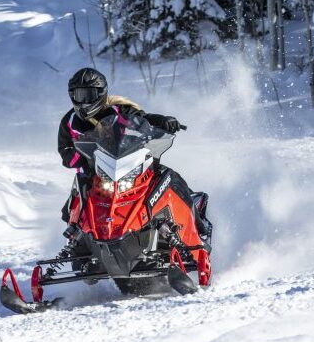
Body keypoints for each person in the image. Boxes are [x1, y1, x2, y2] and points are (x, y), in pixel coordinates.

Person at [58, 67, 209, 239]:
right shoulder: (69, 122)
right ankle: (78, 244)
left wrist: (162, 121)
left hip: (126, 166)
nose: (84, 102)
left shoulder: (118, 109)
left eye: (88, 95)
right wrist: (86, 156)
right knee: (72, 205)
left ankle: (197, 223)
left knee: (169, 178)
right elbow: (65, 152)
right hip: (94, 175)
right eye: (79, 96)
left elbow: (142, 120)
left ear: (101, 93)